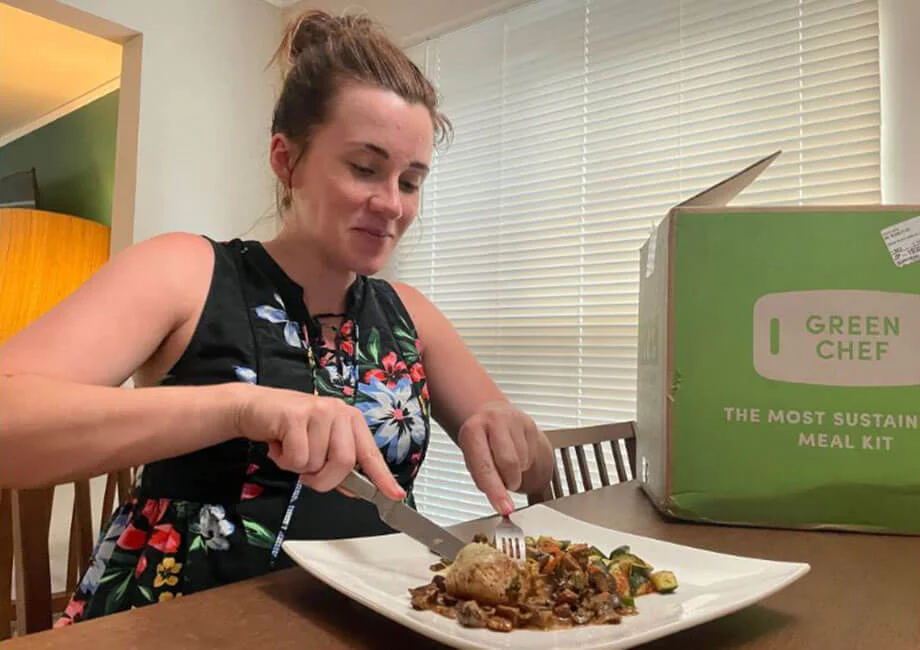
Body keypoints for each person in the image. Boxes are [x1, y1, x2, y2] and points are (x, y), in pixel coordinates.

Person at [0, 10, 554, 626]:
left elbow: (536, 471)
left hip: (368, 625)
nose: (392, 204)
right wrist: (241, 408)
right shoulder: (186, 270)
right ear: (286, 161)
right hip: (171, 624)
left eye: (411, 180)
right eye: (365, 168)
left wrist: (516, 435)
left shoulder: (411, 315)